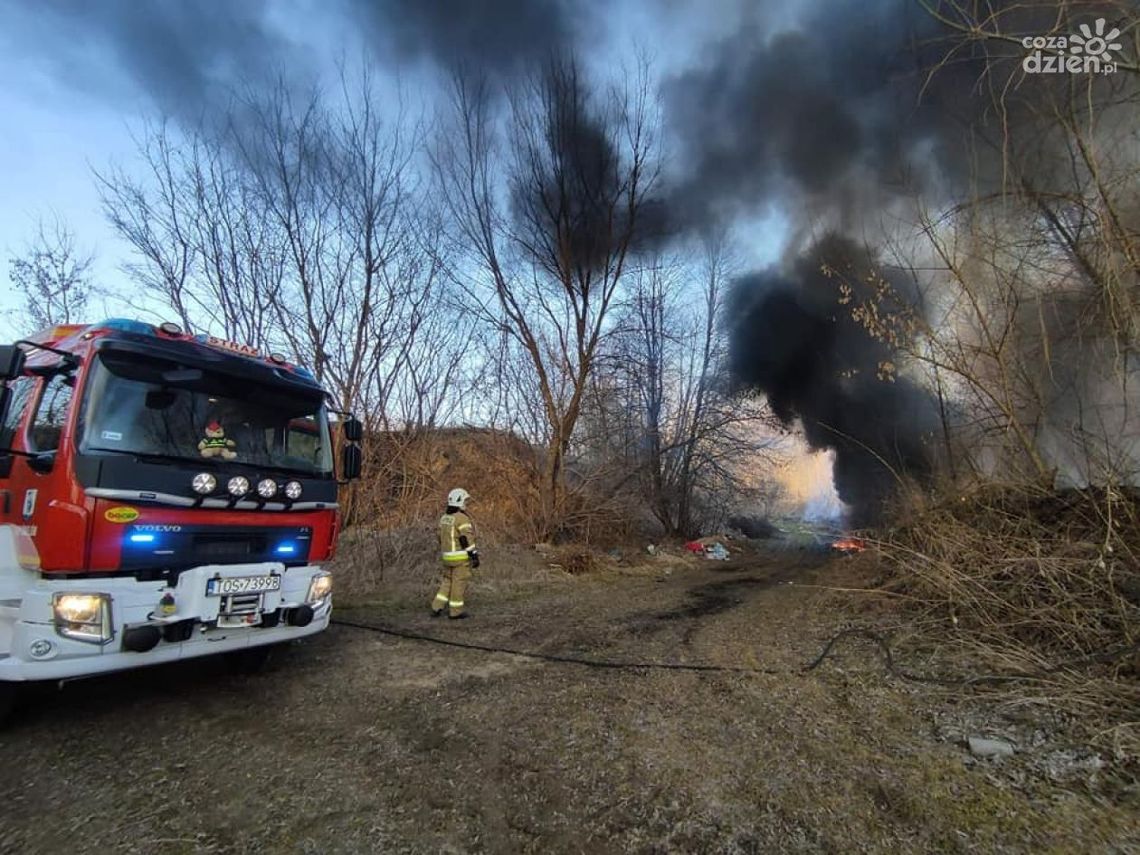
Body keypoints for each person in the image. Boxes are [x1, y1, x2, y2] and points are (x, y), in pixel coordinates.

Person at [430, 487, 479, 619]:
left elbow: (439, 536)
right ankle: (455, 612)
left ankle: (436, 606)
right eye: (465, 501)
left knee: (447, 581)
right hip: (460, 558)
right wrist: (473, 555)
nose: (466, 504)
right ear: (460, 501)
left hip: (446, 557)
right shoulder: (462, 518)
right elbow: (466, 539)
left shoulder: (444, 518)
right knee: (459, 583)